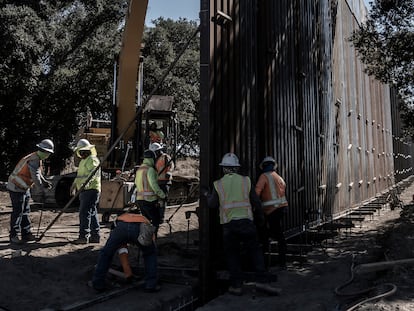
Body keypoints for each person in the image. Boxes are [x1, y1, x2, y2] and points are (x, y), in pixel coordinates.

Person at [204, 153, 269, 296]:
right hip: (246, 221)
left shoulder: (218, 184)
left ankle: (237, 286)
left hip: (229, 225)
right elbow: (256, 202)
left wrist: (207, 195)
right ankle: (262, 282)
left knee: (232, 255)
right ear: (236, 168)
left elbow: (212, 204)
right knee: (255, 250)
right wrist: (260, 218)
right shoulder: (246, 181)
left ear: (224, 169)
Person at [91, 212, 160, 292]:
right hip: (141, 227)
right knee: (150, 254)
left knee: (106, 254)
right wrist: (128, 274)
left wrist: (128, 273)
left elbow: (122, 250)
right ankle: (151, 285)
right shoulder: (146, 222)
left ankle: (98, 284)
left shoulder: (119, 220)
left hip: (121, 227)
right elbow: (151, 246)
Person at [7, 139, 54, 244]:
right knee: (18, 212)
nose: (48, 155)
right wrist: (41, 190)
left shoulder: (36, 157)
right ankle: (13, 235)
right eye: (48, 153)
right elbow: (35, 176)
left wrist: (44, 181)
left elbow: (38, 173)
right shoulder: (35, 159)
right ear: (45, 152)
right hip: (16, 187)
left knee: (25, 211)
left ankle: (26, 233)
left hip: (23, 187)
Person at [255, 156, 288, 268]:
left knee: (266, 234)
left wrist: (254, 206)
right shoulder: (279, 177)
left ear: (263, 166)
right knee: (279, 235)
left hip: (271, 210)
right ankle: (282, 261)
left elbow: (256, 193)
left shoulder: (263, 176)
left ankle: (267, 262)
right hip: (281, 208)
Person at [71, 139, 101, 244]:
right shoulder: (83, 162)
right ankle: (95, 236)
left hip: (91, 189)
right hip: (84, 190)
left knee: (84, 213)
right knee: (91, 212)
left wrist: (87, 183)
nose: (82, 153)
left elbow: (93, 173)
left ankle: (83, 236)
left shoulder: (92, 159)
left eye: (83, 151)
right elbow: (80, 176)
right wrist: (74, 185)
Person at [135, 149, 166, 235]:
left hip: (140, 199)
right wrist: (162, 195)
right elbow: (154, 185)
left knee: (146, 221)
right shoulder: (150, 170)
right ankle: (152, 239)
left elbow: (136, 183)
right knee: (156, 220)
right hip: (149, 200)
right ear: (152, 159)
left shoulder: (139, 169)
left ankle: (144, 238)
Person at [149, 142, 174, 223]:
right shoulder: (154, 159)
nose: (155, 153)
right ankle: (156, 217)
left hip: (165, 182)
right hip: (157, 182)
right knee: (156, 201)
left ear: (159, 150)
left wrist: (169, 172)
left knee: (162, 200)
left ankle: (161, 218)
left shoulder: (165, 157)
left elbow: (171, 165)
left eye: (156, 151)